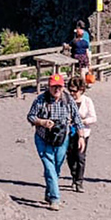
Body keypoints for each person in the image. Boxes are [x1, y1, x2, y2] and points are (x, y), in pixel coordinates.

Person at [26, 73, 85, 211]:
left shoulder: (68, 99)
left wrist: (81, 136)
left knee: (56, 168)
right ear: (49, 86)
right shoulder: (40, 100)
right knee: (49, 167)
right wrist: (42, 122)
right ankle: (55, 198)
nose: (57, 89)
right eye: (54, 87)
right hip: (43, 138)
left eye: (59, 86)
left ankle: (49, 192)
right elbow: (30, 116)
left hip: (62, 138)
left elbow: (77, 118)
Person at [66, 76, 97, 193]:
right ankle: (74, 175)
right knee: (70, 156)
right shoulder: (67, 101)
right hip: (69, 132)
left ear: (81, 90)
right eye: (70, 90)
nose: (72, 93)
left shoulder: (87, 101)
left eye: (75, 91)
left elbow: (93, 118)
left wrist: (81, 121)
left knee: (80, 157)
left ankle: (79, 181)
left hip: (84, 133)